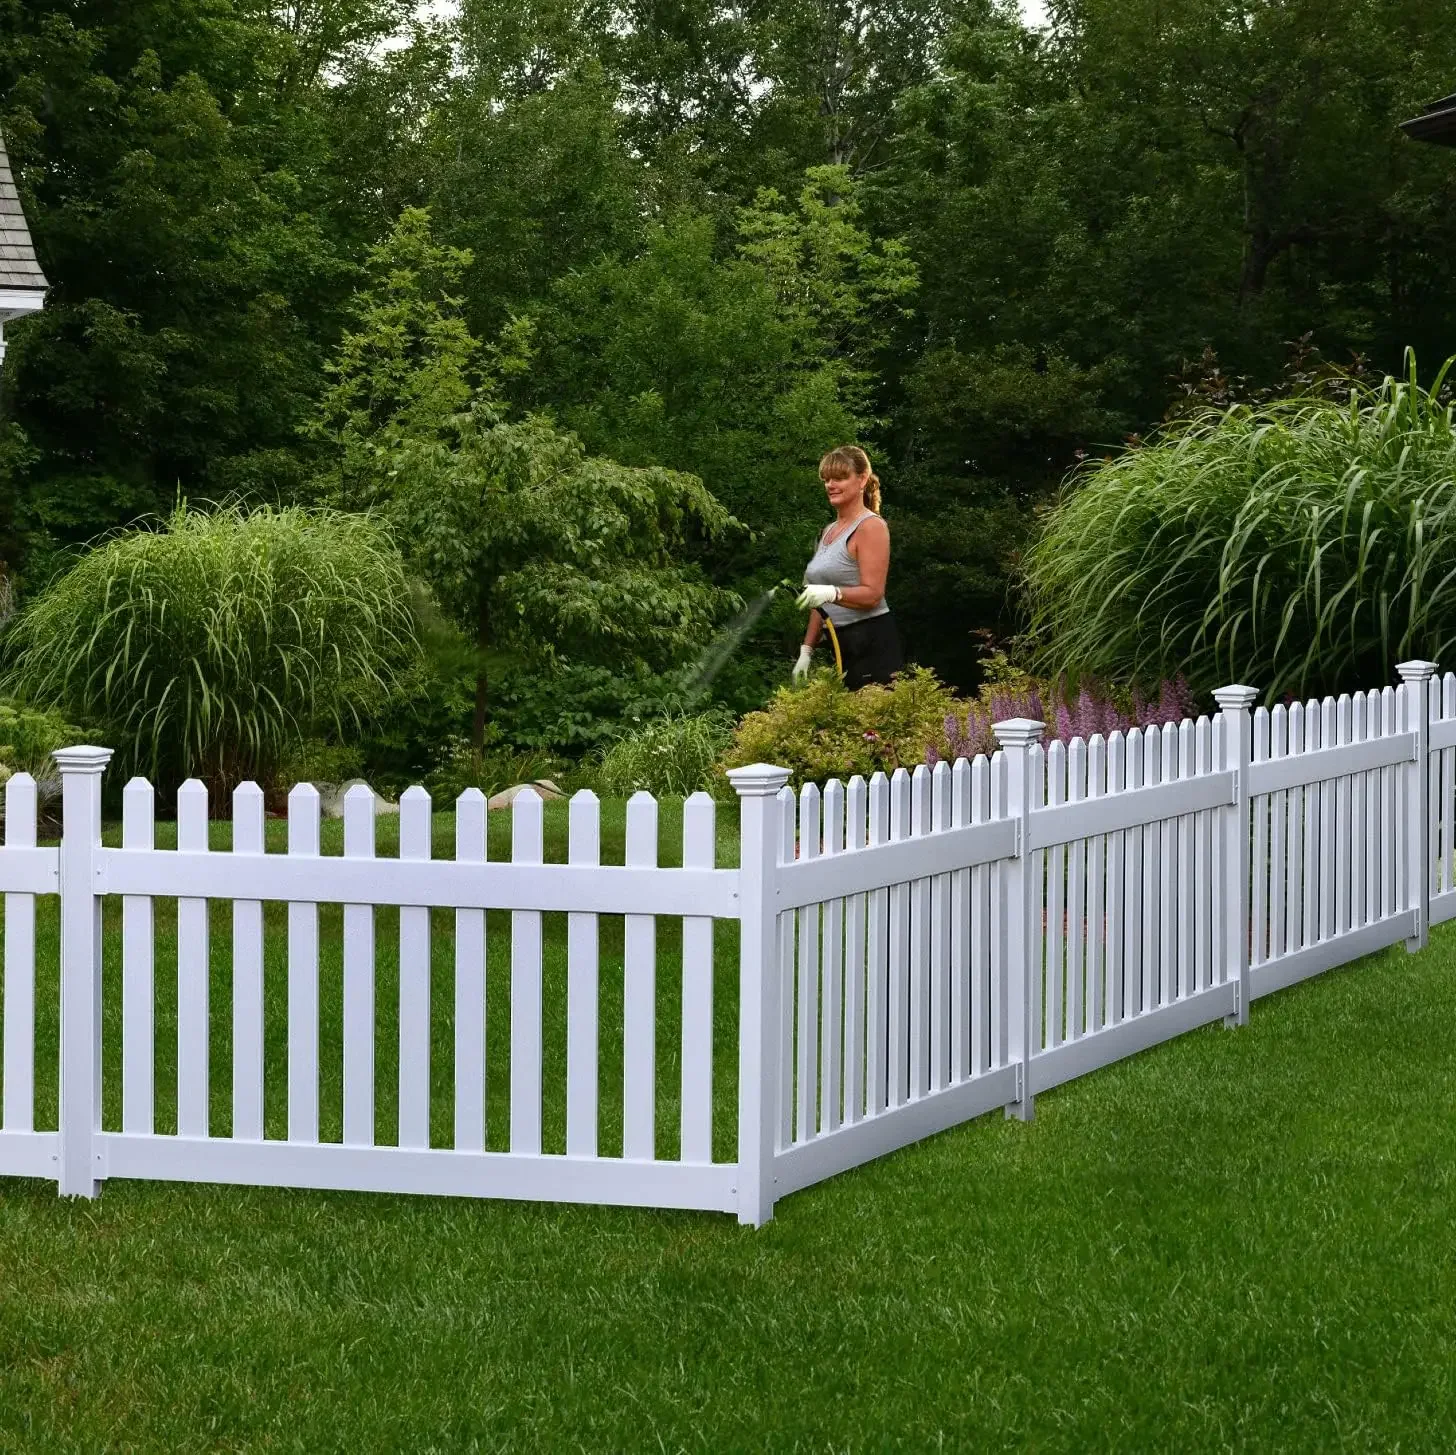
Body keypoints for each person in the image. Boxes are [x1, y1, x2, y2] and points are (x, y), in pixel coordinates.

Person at [793, 445, 905, 690]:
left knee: (873, 726)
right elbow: (818, 601)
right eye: (827, 479)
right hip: (841, 644)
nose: (830, 485)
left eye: (840, 478)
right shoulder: (827, 532)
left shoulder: (871, 527)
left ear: (862, 478)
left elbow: (873, 594)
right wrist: (807, 650)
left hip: (873, 642)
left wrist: (833, 592)